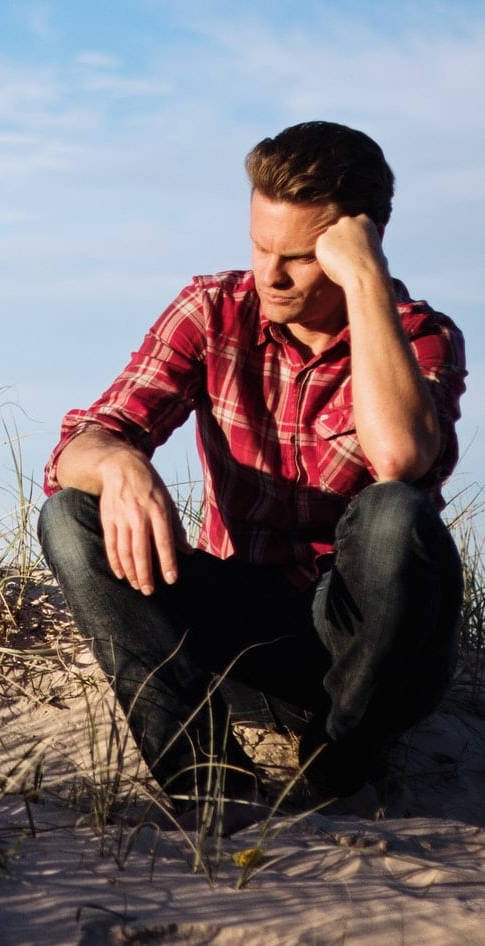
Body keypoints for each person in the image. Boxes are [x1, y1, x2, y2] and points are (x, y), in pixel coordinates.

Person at [37, 122, 467, 816]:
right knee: (69, 514)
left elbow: (400, 460)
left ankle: (338, 768)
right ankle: (210, 785)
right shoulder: (213, 310)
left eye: (298, 257)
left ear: (360, 244)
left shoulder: (419, 334)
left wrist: (366, 283)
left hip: (377, 649)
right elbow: (79, 444)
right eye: (260, 246)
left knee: (396, 514)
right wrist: (117, 463)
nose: (270, 274)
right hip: (249, 628)